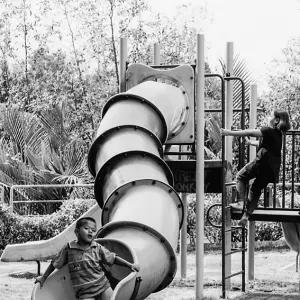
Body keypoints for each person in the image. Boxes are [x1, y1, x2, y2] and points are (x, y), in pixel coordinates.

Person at [35, 217, 140, 300]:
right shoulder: (69, 248)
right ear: (76, 232)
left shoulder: (96, 247)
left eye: (93, 230)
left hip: (103, 286)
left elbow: (113, 258)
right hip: (84, 292)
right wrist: (43, 278)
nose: (91, 232)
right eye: (86, 229)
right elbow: (55, 263)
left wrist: (129, 265)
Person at [220, 109, 291, 226]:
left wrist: (229, 133)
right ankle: (246, 215)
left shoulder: (269, 130)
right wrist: (250, 143)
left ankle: (240, 202)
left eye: (270, 116)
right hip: (272, 170)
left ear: (277, 120)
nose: (269, 117)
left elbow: (250, 132)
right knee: (255, 189)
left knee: (241, 176)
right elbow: (263, 144)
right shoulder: (278, 135)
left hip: (262, 162)